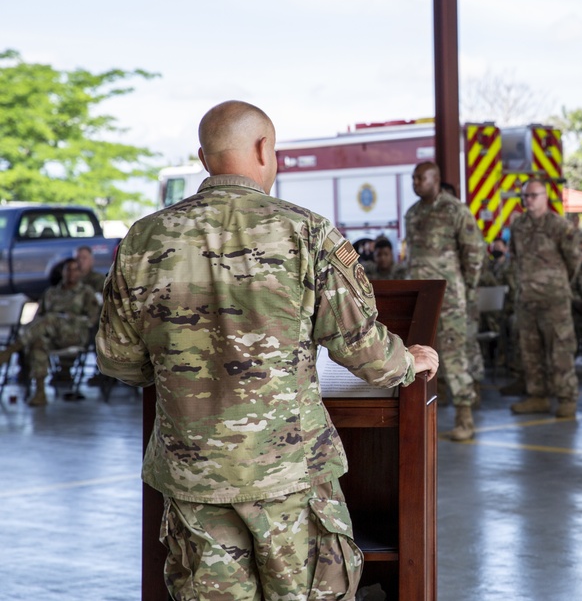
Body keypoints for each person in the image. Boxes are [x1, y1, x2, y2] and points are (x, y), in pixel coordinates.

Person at [95, 100, 439, 600]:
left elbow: (118, 359)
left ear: (203, 156)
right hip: (288, 476)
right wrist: (410, 360)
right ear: (263, 149)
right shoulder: (306, 232)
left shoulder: (143, 239)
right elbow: (364, 351)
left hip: (194, 476)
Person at [405, 162, 486, 440]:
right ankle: (422, 418)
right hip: (420, 297)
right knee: (420, 355)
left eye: (421, 178)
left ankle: (465, 417)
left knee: (453, 355)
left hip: (450, 298)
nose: (416, 182)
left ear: (436, 179)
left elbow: (474, 252)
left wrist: (466, 286)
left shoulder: (455, 210)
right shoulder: (413, 213)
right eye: (413, 178)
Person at [507, 179, 580, 418]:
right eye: (524, 196)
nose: (527, 200)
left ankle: (566, 397)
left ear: (545, 197)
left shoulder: (559, 226)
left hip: (554, 300)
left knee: (560, 350)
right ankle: (537, 396)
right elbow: (514, 258)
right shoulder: (518, 226)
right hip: (527, 299)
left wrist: (555, 283)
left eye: (532, 195)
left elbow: (573, 261)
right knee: (530, 351)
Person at [0, 258, 100, 406]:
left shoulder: (86, 293)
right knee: (38, 342)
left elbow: (92, 320)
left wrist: (66, 319)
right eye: (68, 269)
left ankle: (9, 351)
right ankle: (40, 392)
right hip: (50, 335)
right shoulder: (51, 292)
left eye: (75, 269)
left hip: (74, 334)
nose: (71, 273)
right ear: (63, 272)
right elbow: (38, 318)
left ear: (80, 273)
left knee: (50, 318)